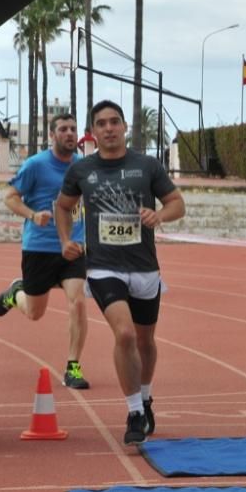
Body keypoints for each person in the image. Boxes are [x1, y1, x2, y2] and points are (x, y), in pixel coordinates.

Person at [55, 100, 185, 446]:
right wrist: (67, 240)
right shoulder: (82, 170)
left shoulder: (146, 165)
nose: (109, 128)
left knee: (145, 341)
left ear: (125, 127)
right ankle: (133, 412)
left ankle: (145, 397)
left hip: (145, 268)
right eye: (101, 123)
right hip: (102, 268)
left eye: (114, 122)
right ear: (92, 132)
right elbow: (63, 206)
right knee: (125, 335)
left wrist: (160, 216)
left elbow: (177, 203)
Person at [0, 112, 91, 390]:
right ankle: (16, 293)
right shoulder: (36, 165)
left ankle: (73, 366)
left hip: (72, 246)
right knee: (35, 313)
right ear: (52, 135)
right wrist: (32, 214)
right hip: (39, 247)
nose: (70, 133)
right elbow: (10, 196)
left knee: (79, 301)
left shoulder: (83, 166)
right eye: (63, 129)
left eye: (73, 129)